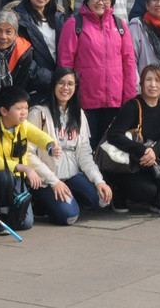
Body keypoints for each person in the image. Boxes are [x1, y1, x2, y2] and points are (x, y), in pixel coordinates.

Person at [57, 0, 137, 150]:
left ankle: (107, 177)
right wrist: (68, 97)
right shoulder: (74, 24)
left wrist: (129, 99)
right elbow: (65, 63)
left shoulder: (120, 25)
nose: (101, 2)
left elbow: (129, 63)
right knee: (85, 145)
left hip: (115, 100)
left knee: (111, 146)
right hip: (85, 100)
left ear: (112, 1)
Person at [27, 68, 113, 224]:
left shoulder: (79, 115)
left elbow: (85, 154)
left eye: (70, 84)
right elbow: (28, 154)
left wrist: (99, 181)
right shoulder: (38, 113)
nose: (65, 88)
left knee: (102, 200)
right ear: (53, 85)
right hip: (47, 178)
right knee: (69, 216)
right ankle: (42, 201)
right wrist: (54, 181)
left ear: (76, 87)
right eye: (61, 83)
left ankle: (67, 198)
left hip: (71, 174)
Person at [100, 64, 160, 214]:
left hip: (151, 158)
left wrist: (154, 152)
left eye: (157, 80)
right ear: (141, 83)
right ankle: (119, 192)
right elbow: (114, 135)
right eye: (148, 80)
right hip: (131, 162)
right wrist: (143, 150)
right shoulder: (132, 106)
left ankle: (158, 199)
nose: (153, 85)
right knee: (145, 191)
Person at [0, 87, 61, 232]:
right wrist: (23, 167)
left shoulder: (23, 125)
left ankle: (10, 217)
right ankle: (1, 214)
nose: (24, 112)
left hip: (19, 179)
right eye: (19, 108)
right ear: (4, 111)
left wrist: (51, 145)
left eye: (26, 107)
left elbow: (38, 135)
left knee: (25, 224)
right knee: (4, 176)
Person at [12, 0, 67, 90]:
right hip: (33, 86)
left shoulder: (59, 17)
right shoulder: (18, 19)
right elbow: (23, 58)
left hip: (60, 84)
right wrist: (52, 79)